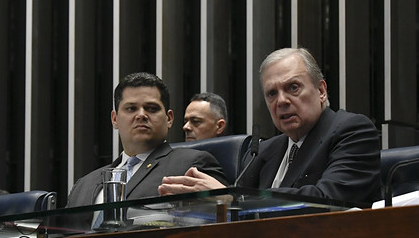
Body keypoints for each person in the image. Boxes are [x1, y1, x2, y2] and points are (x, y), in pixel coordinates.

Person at [159, 47, 382, 206]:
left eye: (293, 87)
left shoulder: (352, 131)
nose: (281, 101)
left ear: (321, 91)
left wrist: (230, 197)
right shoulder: (265, 150)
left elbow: (328, 200)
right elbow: (236, 207)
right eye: (272, 93)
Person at [66, 72, 228, 208]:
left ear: (169, 118)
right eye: (131, 108)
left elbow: (226, 218)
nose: (141, 115)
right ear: (115, 119)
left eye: (151, 108)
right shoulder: (83, 184)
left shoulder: (192, 164)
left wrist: (226, 199)